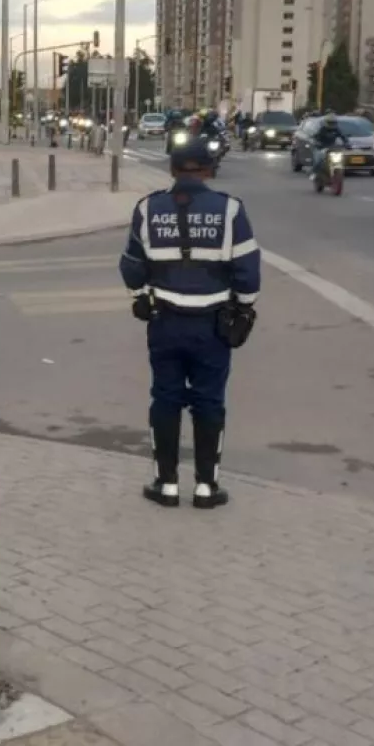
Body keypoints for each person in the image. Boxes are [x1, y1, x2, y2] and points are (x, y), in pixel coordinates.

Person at [119, 136, 260, 510]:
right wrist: (245, 310)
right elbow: (248, 271)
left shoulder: (148, 209)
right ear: (209, 171)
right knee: (208, 401)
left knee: (165, 398)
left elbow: (131, 266)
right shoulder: (230, 211)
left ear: (171, 170)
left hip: (164, 322)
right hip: (212, 324)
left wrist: (140, 297)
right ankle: (206, 487)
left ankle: (165, 484)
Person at [309, 114, 351, 180]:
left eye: (333, 122)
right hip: (321, 148)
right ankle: (314, 173)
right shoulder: (322, 129)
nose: (332, 124)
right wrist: (317, 142)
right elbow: (316, 137)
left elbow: (343, 136)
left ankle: (337, 172)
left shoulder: (336, 129)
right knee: (318, 161)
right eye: (330, 122)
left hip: (332, 147)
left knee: (340, 158)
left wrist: (347, 143)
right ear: (326, 122)